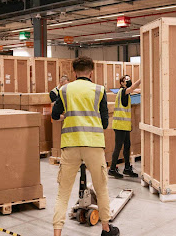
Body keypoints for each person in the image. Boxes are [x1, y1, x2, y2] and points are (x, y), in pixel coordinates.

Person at [51, 56, 119, 236]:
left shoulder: (64, 90)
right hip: (94, 145)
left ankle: (57, 233)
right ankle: (105, 229)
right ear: (91, 72)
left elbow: (55, 114)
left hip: (70, 145)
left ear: (74, 72)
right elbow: (104, 122)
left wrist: (68, 117)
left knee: (63, 193)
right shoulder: (99, 90)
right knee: (101, 188)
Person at [108, 75, 141, 178]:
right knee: (118, 147)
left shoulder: (126, 92)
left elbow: (136, 89)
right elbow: (133, 88)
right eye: (126, 79)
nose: (129, 80)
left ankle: (127, 168)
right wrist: (142, 77)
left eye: (129, 78)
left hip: (125, 125)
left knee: (127, 146)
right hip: (120, 125)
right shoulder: (123, 91)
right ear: (122, 83)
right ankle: (112, 169)